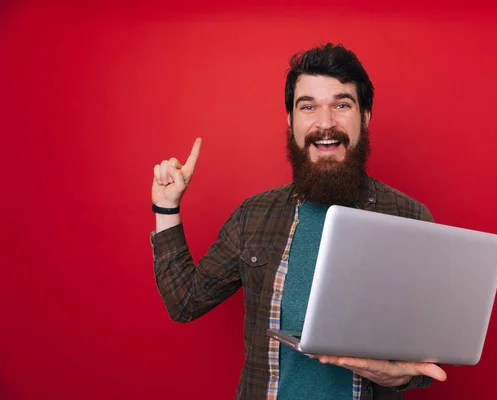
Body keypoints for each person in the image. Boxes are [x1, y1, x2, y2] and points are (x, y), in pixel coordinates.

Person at [150, 43, 447, 400]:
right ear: (290, 121)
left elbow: (426, 364)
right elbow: (185, 303)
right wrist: (167, 208)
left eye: (341, 104)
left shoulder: (409, 218)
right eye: (308, 107)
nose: (325, 123)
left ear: (365, 116)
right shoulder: (253, 216)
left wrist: (395, 376)